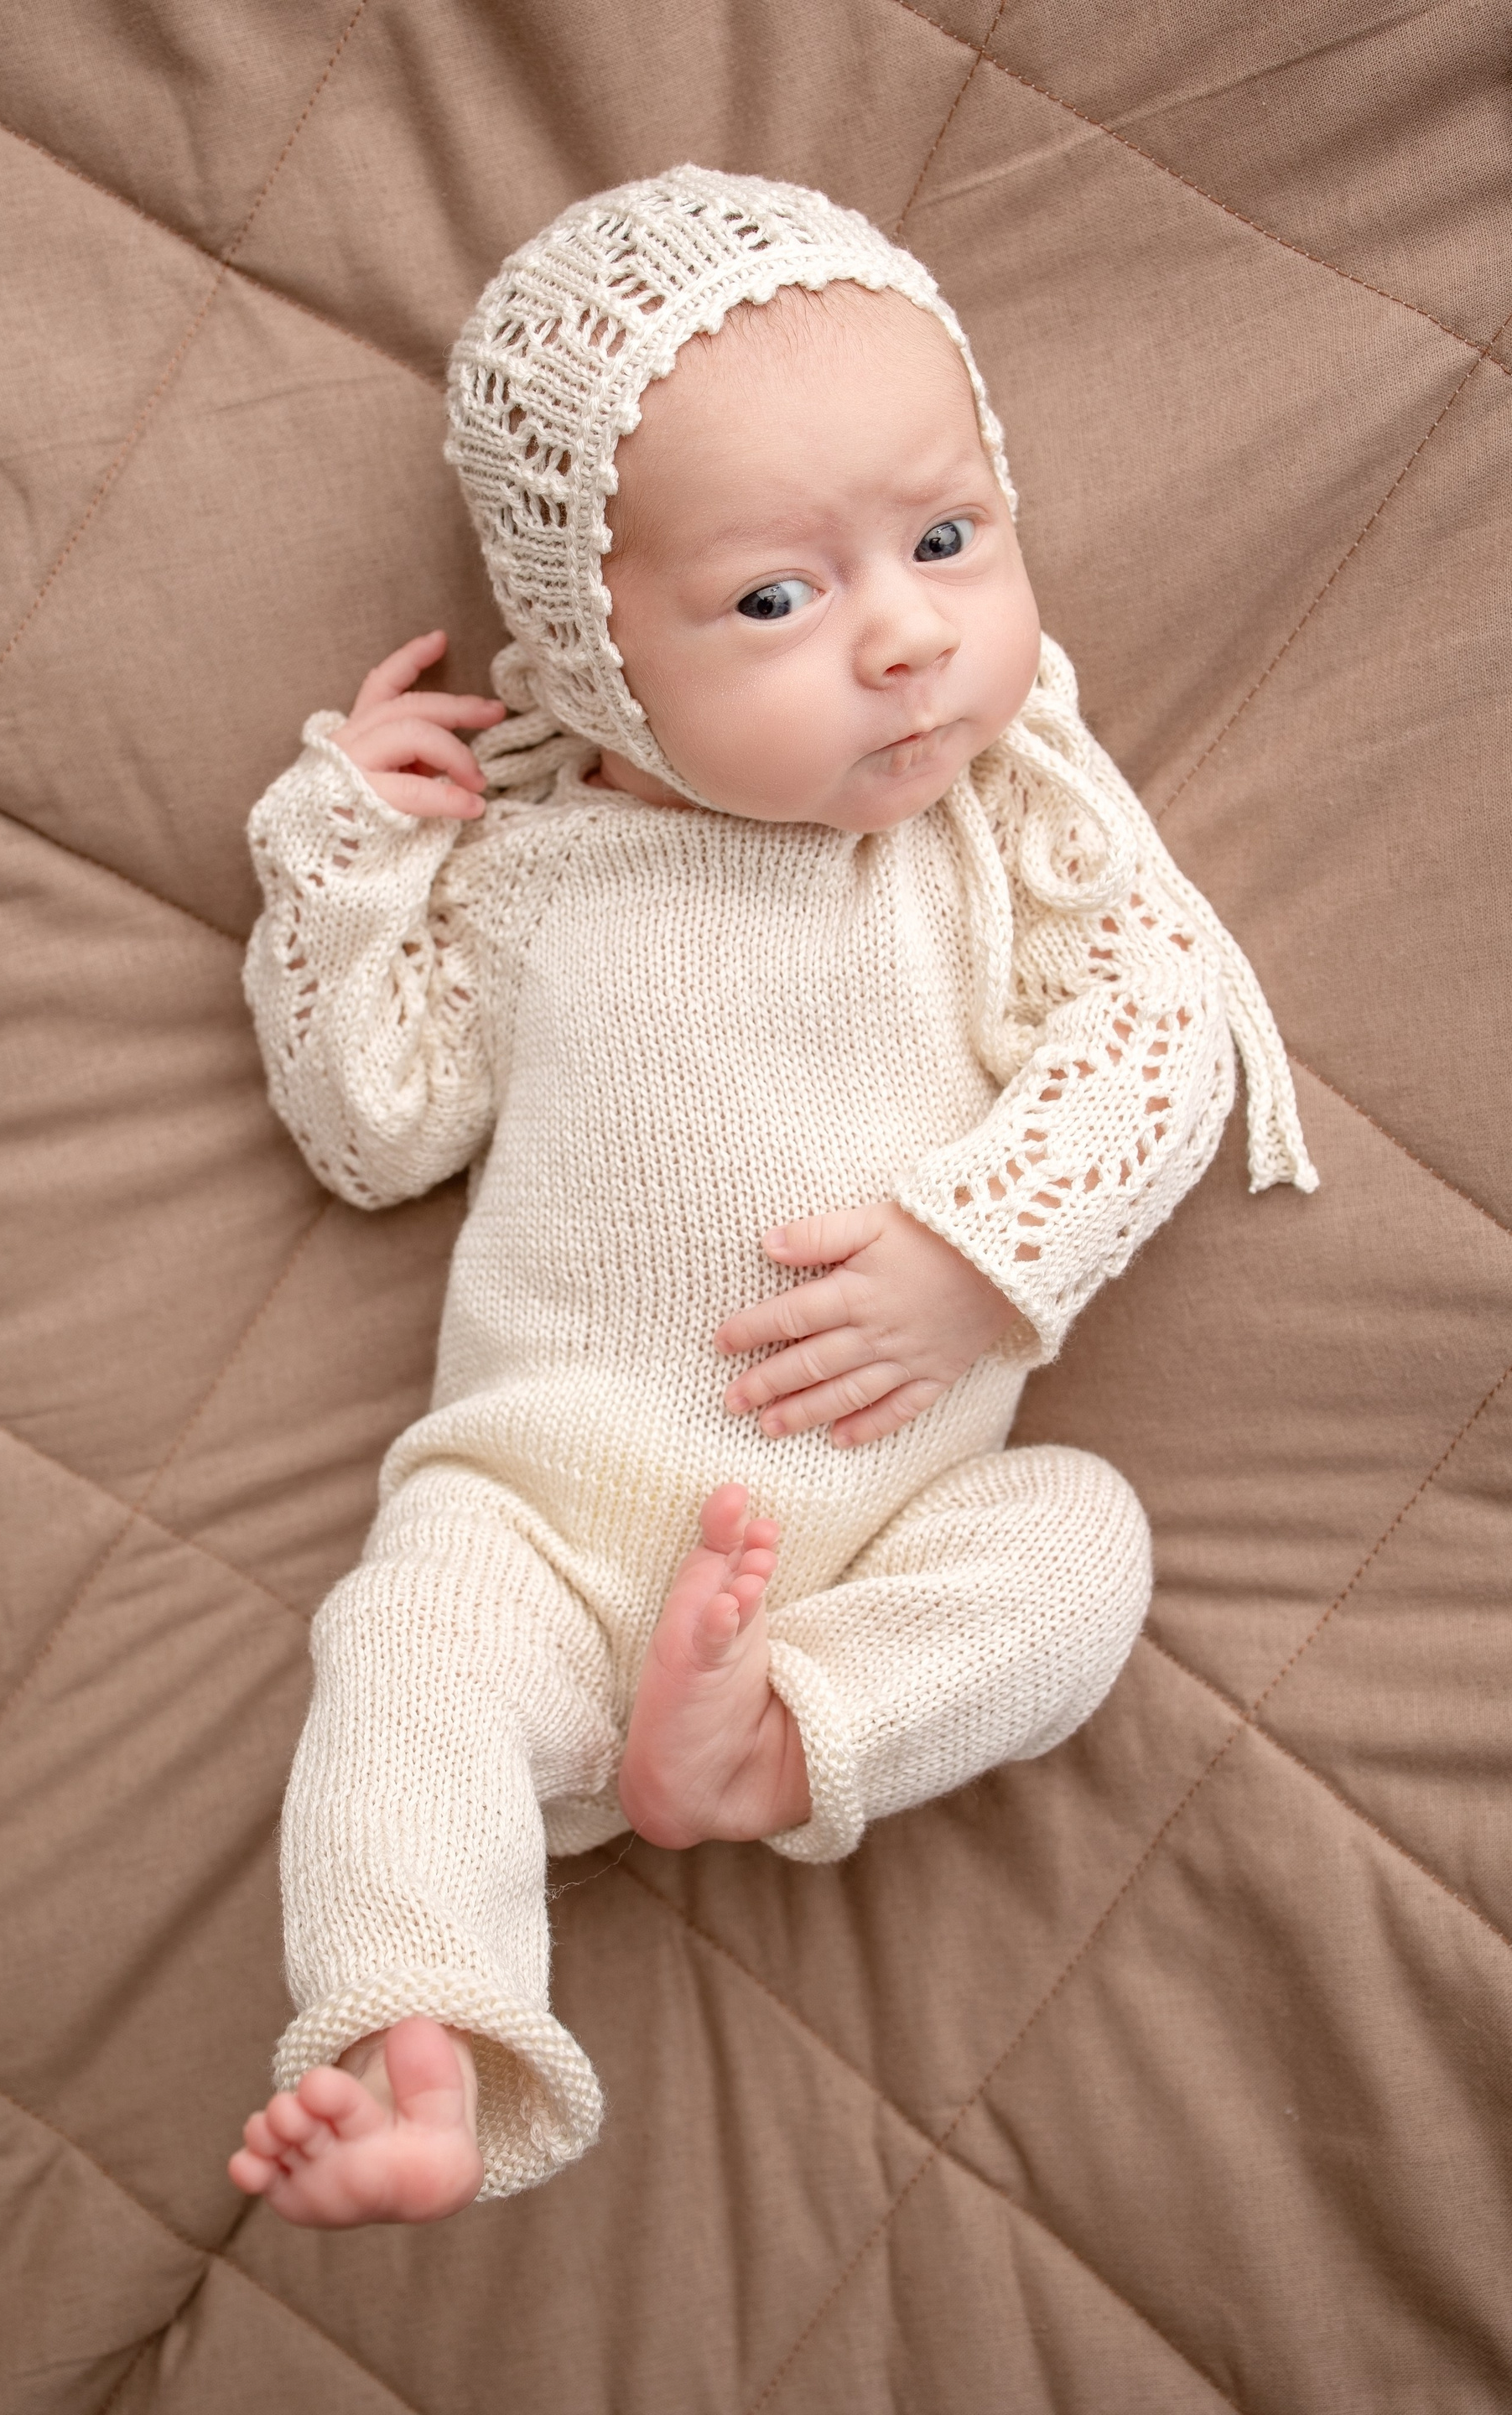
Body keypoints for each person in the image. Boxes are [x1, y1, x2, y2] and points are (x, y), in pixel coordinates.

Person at [228, 166, 1314, 2229]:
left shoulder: (988, 847)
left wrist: (984, 1257)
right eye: (774, 602)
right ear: (598, 655)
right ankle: (414, 2044)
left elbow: (1166, 1028)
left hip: (879, 1542)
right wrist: (349, 856)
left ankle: (773, 1747)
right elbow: (374, 1127)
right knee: (405, 1644)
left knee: (1081, 1546)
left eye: (946, 540)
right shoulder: (535, 879)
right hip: (545, 1529)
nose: (906, 636)